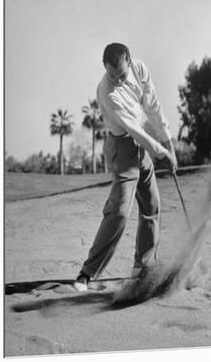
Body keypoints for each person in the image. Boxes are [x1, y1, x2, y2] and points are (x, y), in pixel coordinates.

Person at [73, 42, 177, 292]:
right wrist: (163, 154)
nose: (117, 80)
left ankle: (144, 267)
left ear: (129, 61)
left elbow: (152, 106)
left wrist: (169, 142)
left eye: (121, 74)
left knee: (152, 205)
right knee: (119, 212)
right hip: (122, 148)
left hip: (141, 147)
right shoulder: (107, 93)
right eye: (112, 75)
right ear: (104, 67)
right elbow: (134, 129)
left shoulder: (139, 69)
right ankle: (86, 274)